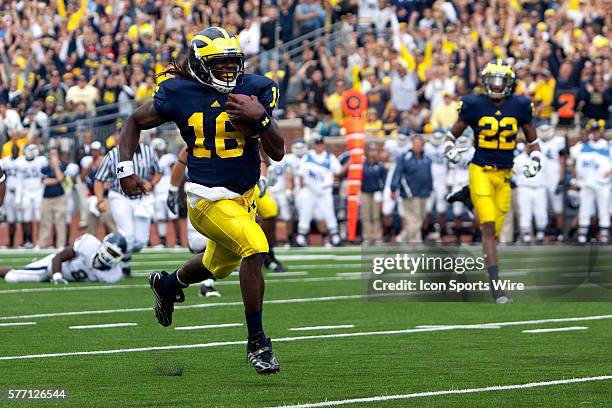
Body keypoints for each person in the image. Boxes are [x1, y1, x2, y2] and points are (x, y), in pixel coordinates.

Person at [117, 27, 283, 374]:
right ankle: (258, 343)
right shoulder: (178, 92)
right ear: (199, 64)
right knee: (255, 247)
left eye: (231, 64)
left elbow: (278, 152)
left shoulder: (256, 89)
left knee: (217, 266)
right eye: (219, 65)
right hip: (205, 198)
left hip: (244, 198)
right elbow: (134, 120)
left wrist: (261, 120)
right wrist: (124, 169)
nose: (228, 72)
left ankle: (167, 283)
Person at [445, 60, 542, 303]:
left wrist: (537, 159)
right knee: (488, 228)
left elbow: (532, 140)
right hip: (480, 169)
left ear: (509, 83)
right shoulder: (473, 104)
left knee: (494, 230)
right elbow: (451, 134)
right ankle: (497, 288)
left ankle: (469, 200)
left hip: (505, 173)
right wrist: (449, 148)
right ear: (485, 81)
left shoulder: (520, 105)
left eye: (502, 81)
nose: (497, 86)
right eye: (493, 80)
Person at [94, 138, 160, 276]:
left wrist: (152, 183)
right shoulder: (113, 154)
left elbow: (158, 172)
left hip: (142, 198)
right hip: (120, 196)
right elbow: (99, 179)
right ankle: (122, 265)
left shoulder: (148, 151)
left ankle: (123, 256)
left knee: (141, 241)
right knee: (127, 235)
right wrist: (100, 200)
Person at [0, 233, 127, 284]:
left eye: (114, 254)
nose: (110, 256)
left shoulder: (114, 275)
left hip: (68, 278)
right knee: (13, 277)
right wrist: (57, 277)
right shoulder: (89, 244)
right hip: (53, 268)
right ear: (103, 244)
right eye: (110, 250)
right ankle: (38, 264)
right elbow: (58, 257)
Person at [296, 137, 342, 247]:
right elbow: (301, 174)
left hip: (324, 191)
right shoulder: (307, 156)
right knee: (305, 213)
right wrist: (302, 188)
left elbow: (339, 171)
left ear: (324, 145)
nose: (319, 146)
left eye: (321, 144)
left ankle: (334, 235)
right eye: (317, 144)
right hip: (310, 190)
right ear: (314, 145)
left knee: (329, 212)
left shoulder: (330, 157)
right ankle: (301, 236)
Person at [572, 120, 611, 244]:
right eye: (593, 131)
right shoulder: (582, 146)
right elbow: (572, 159)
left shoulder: (608, 146)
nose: (595, 134)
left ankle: (604, 234)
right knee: (584, 209)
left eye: (597, 131)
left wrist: (609, 174)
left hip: (602, 184)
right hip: (586, 184)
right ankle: (582, 235)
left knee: (604, 209)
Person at [391, 135, 433, 243]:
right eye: (415, 144)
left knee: (419, 219)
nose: (417, 146)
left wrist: (430, 188)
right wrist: (393, 188)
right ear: (412, 144)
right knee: (414, 220)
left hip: (423, 192)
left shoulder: (426, 158)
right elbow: (397, 173)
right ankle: (401, 238)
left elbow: (429, 175)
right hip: (409, 192)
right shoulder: (405, 157)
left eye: (419, 144)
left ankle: (415, 239)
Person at [16, 144, 47, 248]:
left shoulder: (41, 161)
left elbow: (45, 175)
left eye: (33, 150)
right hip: (26, 192)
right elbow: (19, 181)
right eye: (29, 150)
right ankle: (27, 240)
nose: (31, 152)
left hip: (38, 192)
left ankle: (40, 240)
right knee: (26, 217)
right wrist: (18, 198)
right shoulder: (20, 162)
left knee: (39, 217)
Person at [151, 138, 180, 248]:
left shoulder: (169, 158)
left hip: (168, 190)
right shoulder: (152, 159)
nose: (157, 151)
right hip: (157, 191)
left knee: (173, 216)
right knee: (160, 217)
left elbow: (175, 171)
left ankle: (178, 240)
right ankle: (162, 241)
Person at [38, 148, 67, 249]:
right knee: (45, 222)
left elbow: (61, 178)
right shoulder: (45, 168)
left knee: (60, 222)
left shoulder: (62, 166)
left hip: (60, 197)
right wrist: (56, 180)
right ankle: (41, 244)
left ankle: (60, 245)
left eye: (55, 154)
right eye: (51, 154)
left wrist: (55, 166)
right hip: (47, 198)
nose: (53, 156)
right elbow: (44, 181)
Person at [360, 143, 386, 244]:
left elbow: (384, 180)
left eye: (374, 151)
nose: (373, 153)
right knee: (366, 216)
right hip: (365, 192)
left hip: (376, 193)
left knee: (376, 216)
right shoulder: (362, 165)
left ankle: (377, 236)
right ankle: (367, 237)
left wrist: (381, 191)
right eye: (371, 150)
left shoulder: (380, 165)